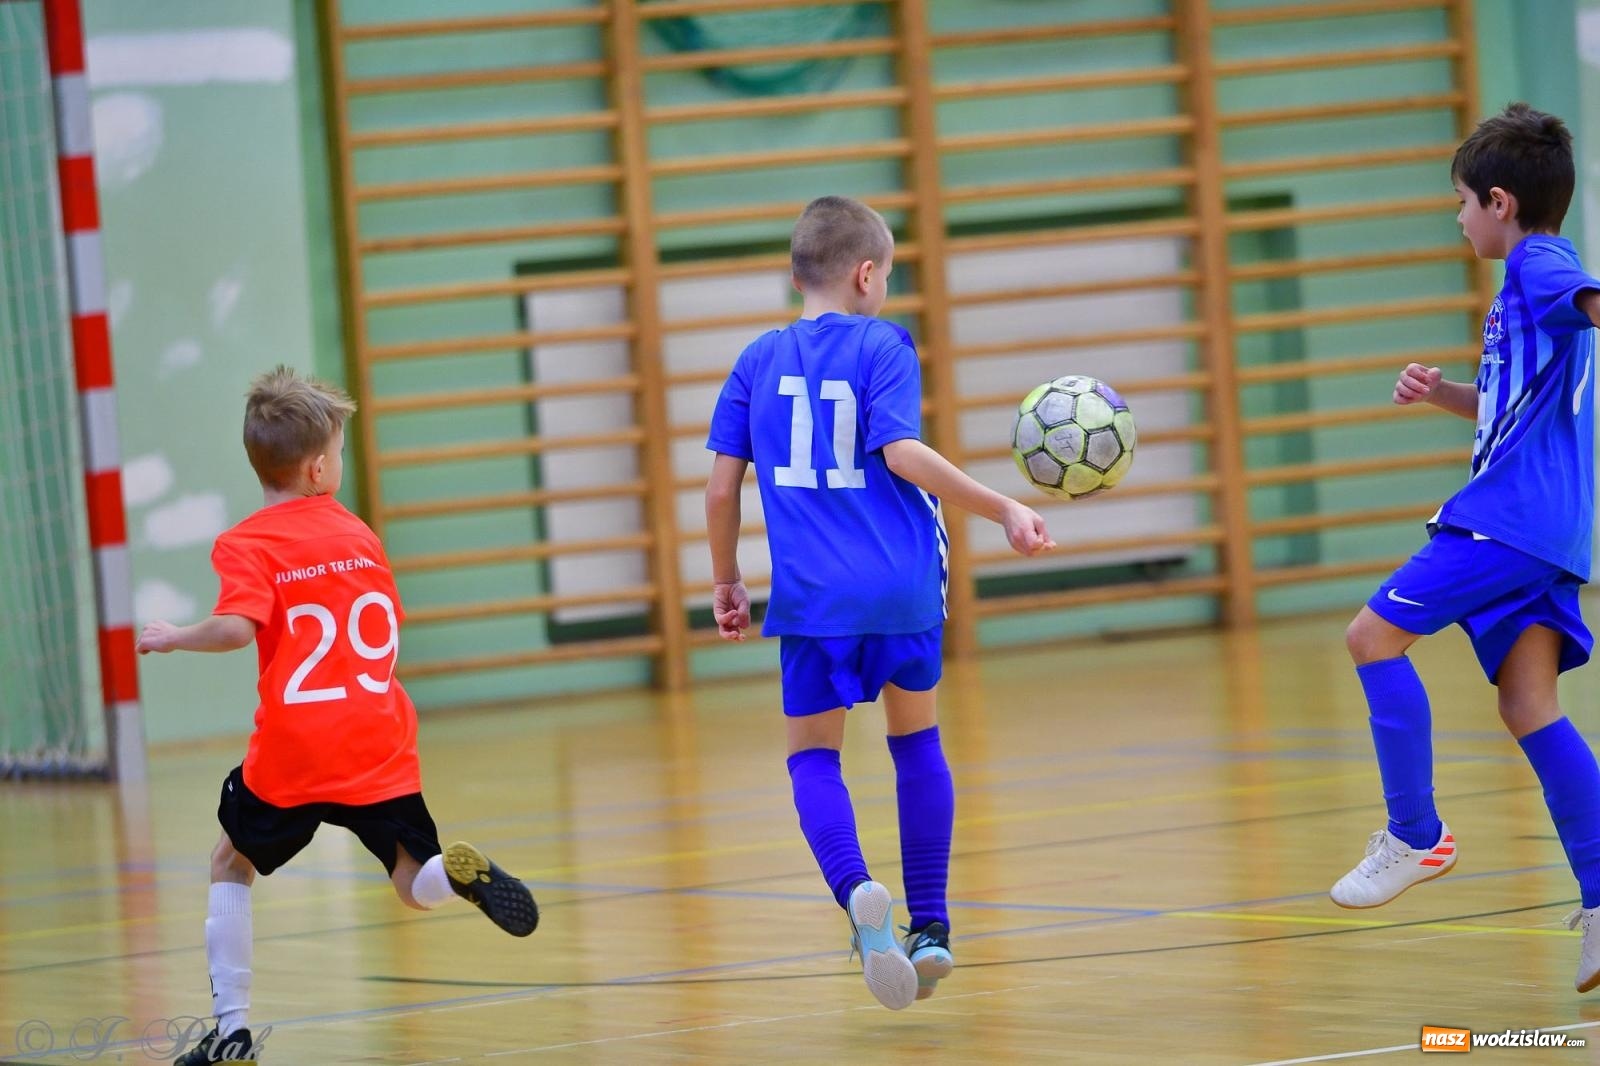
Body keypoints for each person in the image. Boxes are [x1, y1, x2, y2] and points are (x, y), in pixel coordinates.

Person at [704, 195, 1054, 1010]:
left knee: (813, 757)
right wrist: (1002, 506)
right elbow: (900, 451)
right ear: (867, 274)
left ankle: (860, 892)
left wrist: (726, 580)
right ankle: (931, 927)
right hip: (900, 587)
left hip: (812, 601)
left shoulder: (757, 361)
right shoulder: (883, 345)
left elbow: (722, 487)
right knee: (916, 743)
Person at [137, 367, 538, 1063]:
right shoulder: (359, 536)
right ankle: (458, 875)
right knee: (414, 883)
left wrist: (176, 637)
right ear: (320, 468)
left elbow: (236, 629)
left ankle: (231, 1033)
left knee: (231, 862)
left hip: (297, 748)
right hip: (377, 738)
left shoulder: (248, 543)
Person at [1329, 103, 1600, 990]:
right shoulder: (1521, 296)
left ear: (1499, 201)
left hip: (1506, 521)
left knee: (1371, 637)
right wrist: (1446, 391)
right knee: (1529, 706)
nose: (1457, 220)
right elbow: (1511, 407)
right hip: (1548, 529)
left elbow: (1587, 298)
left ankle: (1414, 834)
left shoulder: (1539, 265)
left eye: (1461, 203)